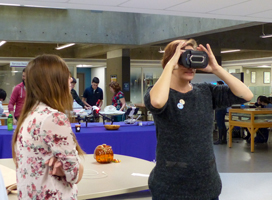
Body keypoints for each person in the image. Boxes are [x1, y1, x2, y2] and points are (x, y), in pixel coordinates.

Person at [144, 39, 253, 200]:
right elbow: (157, 102)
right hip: (170, 187)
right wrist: (170, 65)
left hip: (207, 185)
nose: (190, 65)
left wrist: (216, 69)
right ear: (171, 61)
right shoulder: (159, 93)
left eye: (194, 58)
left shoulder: (206, 91)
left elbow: (246, 95)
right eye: (184, 58)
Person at [11, 54, 84, 200]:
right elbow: (75, 173)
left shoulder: (29, 115)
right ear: (54, 81)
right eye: (67, 76)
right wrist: (70, 168)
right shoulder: (53, 118)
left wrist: (63, 166)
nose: (70, 81)